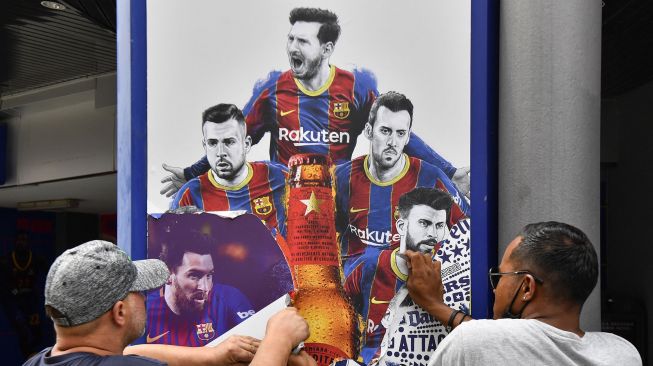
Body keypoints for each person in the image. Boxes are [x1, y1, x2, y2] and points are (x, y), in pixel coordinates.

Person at [160, 7, 470, 198]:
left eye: (302, 41)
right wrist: (191, 173)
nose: (292, 47)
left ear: (326, 49)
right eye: (290, 38)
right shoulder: (273, 90)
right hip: (285, 204)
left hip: (335, 203)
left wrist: (448, 170)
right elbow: (237, 139)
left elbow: (393, 132)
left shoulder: (355, 89)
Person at [405, 221, 642, 365]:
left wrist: (431, 303)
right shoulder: (622, 353)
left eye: (501, 277)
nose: (496, 289)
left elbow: (493, 343)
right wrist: (440, 308)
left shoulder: (472, 341)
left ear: (527, 287)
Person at [22, 240, 270, 366]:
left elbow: (131, 352)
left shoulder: (36, 361)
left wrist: (212, 355)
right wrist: (279, 338)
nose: (145, 297)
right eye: (138, 291)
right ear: (119, 312)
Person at [334, 91, 470, 277]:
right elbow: (323, 241)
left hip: (414, 297)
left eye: (400, 134)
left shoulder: (431, 179)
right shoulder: (342, 178)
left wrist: (444, 276)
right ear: (368, 131)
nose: (392, 142)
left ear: (407, 138)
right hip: (356, 295)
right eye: (385, 131)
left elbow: (469, 235)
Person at [344, 187, 458, 364]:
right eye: (424, 223)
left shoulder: (453, 271)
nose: (433, 234)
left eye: (439, 225)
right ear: (402, 226)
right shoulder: (368, 267)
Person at [170, 103, 288, 236]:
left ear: (246, 144)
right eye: (213, 143)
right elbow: (172, 247)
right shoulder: (189, 195)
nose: (220, 152)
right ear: (205, 145)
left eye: (229, 142)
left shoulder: (280, 179)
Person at [146, 231, 254, 346]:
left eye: (209, 275)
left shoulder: (229, 298)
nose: (205, 287)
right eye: (194, 276)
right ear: (167, 275)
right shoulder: (144, 312)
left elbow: (258, 345)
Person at [0, 230, 47, 358]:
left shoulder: (37, 259)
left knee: (38, 334)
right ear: (15, 242)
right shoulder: (5, 261)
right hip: (13, 301)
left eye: (24, 240)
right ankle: (28, 356)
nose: (22, 243)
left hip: (30, 299)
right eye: (19, 240)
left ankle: (32, 354)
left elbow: (50, 271)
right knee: (22, 330)